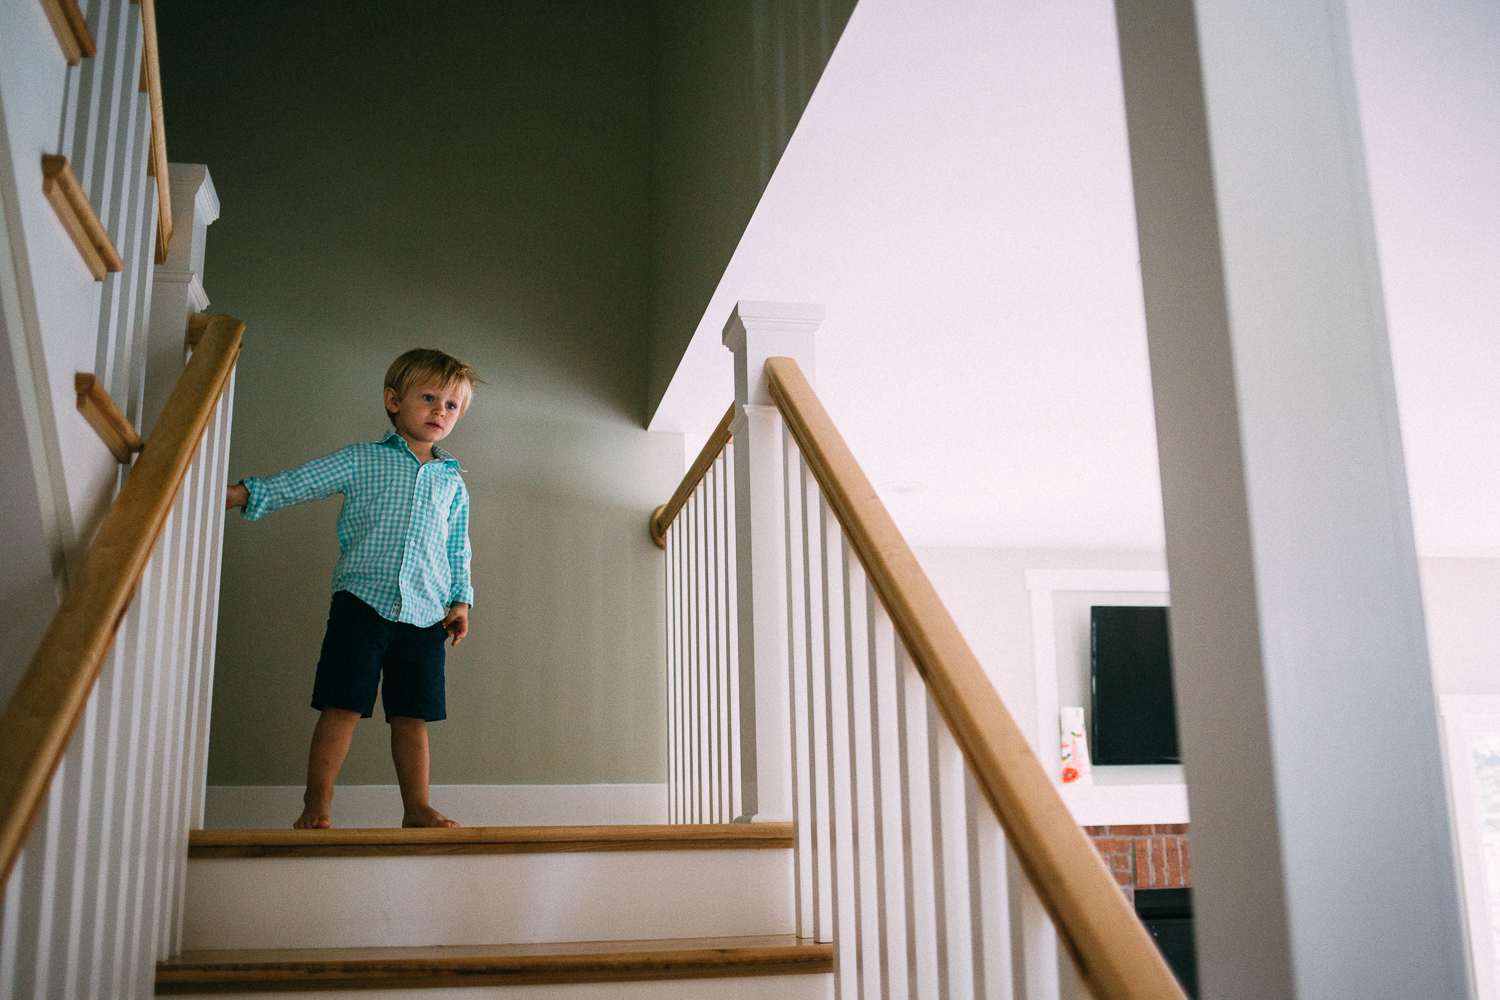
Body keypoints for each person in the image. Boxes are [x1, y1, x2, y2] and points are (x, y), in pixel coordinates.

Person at [226, 349, 481, 830]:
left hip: (426, 614)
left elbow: (457, 547)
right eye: (429, 397)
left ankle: (416, 808)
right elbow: (302, 482)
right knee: (341, 706)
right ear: (393, 400)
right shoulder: (364, 459)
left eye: (451, 406)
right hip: (361, 605)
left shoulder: (452, 483)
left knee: (413, 716)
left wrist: (460, 600)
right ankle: (316, 806)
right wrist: (244, 493)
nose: (440, 412)